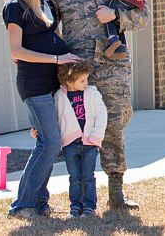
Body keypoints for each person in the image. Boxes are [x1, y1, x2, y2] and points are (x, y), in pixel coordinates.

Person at [44, 0, 143, 210]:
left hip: (113, 69)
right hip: (77, 75)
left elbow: (143, 16)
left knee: (113, 126)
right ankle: (81, 196)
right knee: (75, 131)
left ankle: (116, 193)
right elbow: (46, 28)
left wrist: (117, 15)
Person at [2, 0, 82, 220]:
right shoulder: (15, 6)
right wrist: (57, 61)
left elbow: (55, 38)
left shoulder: (47, 2)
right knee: (49, 143)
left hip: (53, 83)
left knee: (50, 141)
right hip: (34, 85)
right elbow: (16, 51)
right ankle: (23, 204)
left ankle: (39, 201)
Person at [55, 60, 107, 218]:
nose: (86, 83)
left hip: (90, 144)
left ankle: (89, 207)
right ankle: (75, 207)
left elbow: (101, 114)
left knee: (88, 177)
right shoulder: (59, 96)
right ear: (69, 81)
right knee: (75, 178)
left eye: (86, 79)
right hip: (70, 145)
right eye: (82, 80)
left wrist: (96, 137)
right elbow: (54, 118)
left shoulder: (92, 93)